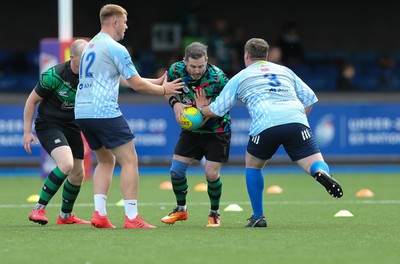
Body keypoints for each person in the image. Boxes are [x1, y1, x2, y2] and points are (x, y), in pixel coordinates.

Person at [195, 38, 343, 228]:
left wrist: (202, 108)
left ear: (246, 55)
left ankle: (259, 217)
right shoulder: (284, 70)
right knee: (313, 161)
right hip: (296, 120)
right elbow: (309, 98)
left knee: (253, 165)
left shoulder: (241, 76)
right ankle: (321, 172)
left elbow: (217, 110)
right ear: (266, 55)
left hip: (265, 123)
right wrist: (298, 120)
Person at [74, 4, 184, 229]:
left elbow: (119, 79)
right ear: (115, 22)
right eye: (124, 22)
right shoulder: (116, 48)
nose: (126, 26)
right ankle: (132, 218)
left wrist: (155, 82)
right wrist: (165, 90)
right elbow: (136, 85)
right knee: (129, 160)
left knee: (105, 160)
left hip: (83, 111)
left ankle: (100, 215)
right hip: (103, 110)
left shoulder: (91, 46)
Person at [161, 42, 231, 227]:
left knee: (211, 174)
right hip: (192, 130)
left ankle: (214, 213)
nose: (197, 70)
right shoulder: (176, 70)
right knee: (176, 171)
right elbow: (167, 91)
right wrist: (175, 103)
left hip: (217, 129)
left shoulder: (218, 78)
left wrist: (202, 111)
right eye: (192, 66)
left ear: (207, 60)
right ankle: (181, 210)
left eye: (201, 66)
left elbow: (223, 107)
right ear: (185, 61)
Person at [23, 39, 90, 226]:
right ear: (73, 57)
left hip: (72, 125)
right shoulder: (54, 75)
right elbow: (31, 101)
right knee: (66, 164)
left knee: (78, 174)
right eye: (84, 58)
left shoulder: (91, 74)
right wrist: (27, 131)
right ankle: (38, 209)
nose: (88, 62)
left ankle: (66, 216)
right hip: (49, 124)